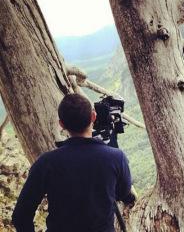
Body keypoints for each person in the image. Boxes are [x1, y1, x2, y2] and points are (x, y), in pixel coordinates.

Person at [12, 94, 133, 232]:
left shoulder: (46, 162)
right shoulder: (116, 157)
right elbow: (123, 193)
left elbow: (20, 216)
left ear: (61, 124)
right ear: (93, 116)